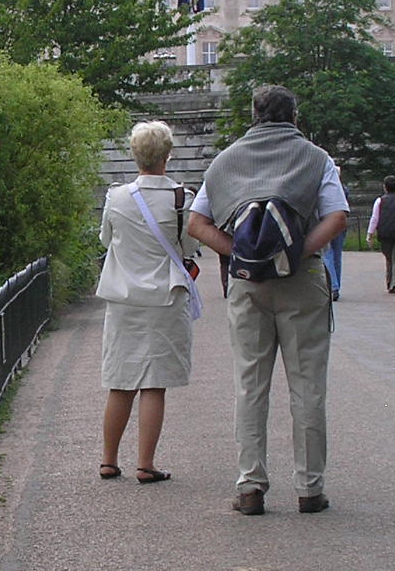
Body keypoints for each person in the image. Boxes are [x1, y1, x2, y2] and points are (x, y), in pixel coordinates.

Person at [187, 85, 349, 516]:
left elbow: (197, 224)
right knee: (308, 384)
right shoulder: (316, 158)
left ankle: (250, 487)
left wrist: (244, 257)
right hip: (302, 281)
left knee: (249, 384)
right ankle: (310, 489)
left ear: (253, 115)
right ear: (295, 117)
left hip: (247, 284)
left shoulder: (226, 161)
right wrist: (295, 254)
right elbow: (337, 216)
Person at [96, 121, 202, 485]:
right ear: (167, 155)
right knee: (154, 384)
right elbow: (189, 248)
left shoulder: (117, 197)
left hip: (123, 298)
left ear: (135, 154)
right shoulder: (181, 198)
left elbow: (106, 239)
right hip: (165, 298)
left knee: (120, 381)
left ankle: (109, 460)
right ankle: (145, 463)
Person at [322, 159, 345, 301]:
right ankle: (337, 285)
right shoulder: (343, 190)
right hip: (340, 224)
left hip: (326, 222)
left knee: (328, 254)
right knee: (337, 256)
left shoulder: (323, 187)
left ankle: (333, 286)